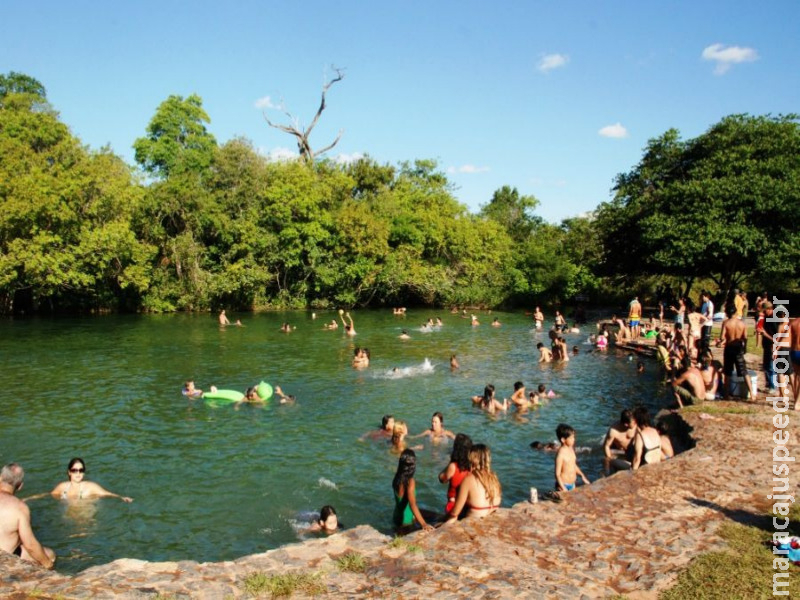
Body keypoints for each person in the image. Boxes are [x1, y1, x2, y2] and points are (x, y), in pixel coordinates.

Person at [0, 464, 55, 569]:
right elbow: (30, 545)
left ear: (0, 478)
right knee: (50, 555)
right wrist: (48, 564)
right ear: (20, 485)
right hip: (4, 560)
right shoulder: (20, 508)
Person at [444, 444, 502, 522]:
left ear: (472, 459)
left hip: (473, 523)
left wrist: (444, 519)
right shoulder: (494, 478)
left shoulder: (469, 480)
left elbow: (455, 512)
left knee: (450, 519)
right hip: (490, 521)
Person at [717, 303, 756, 400]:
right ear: (735, 312)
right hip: (738, 348)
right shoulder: (742, 323)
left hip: (729, 348)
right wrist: (744, 348)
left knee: (728, 372)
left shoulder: (726, 323)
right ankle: (752, 394)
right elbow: (745, 338)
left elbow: (722, 337)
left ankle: (726, 394)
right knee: (744, 371)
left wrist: (720, 342)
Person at [49, 458, 133, 502]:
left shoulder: (90, 487)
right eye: (74, 470)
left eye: (81, 470)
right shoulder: (63, 487)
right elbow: (49, 495)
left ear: (84, 472)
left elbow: (107, 493)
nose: (78, 473)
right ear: (69, 472)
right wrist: (36, 497)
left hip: (85, 519)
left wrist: (121, 497)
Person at [392, 449, 434, 532]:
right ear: (413, 466)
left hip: (396, 518)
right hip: (406, 521)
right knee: (436, 519)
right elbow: (412, 504)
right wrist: (424, 524)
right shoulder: (410, 481)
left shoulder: (397, 477)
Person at [438, 433, 472, 515]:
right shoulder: (472, 466)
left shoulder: (453, 466)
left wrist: (451, 462)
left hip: (453, 506)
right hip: (467, 506)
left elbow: (442, 479)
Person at [554, 424, 590, 492]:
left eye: (574, 437)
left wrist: (582, 475)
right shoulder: (560, 455)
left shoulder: (571, 449)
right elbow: (557, 474)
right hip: (563, 485)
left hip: (572, 484)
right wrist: (563, 488)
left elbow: (573, 465)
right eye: (571, 438)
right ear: (563, 440)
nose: (574, 439)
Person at [760, 301, 778, 394]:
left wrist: (765, 334)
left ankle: (773, 386)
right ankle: (768, 384)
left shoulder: (774, 319)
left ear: (769, 309)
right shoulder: (767, 317)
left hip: (772, 346)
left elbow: (777, 337)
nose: (763, 312)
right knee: (766, 366)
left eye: (764, 310)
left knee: (771, 367)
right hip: (766, 345)